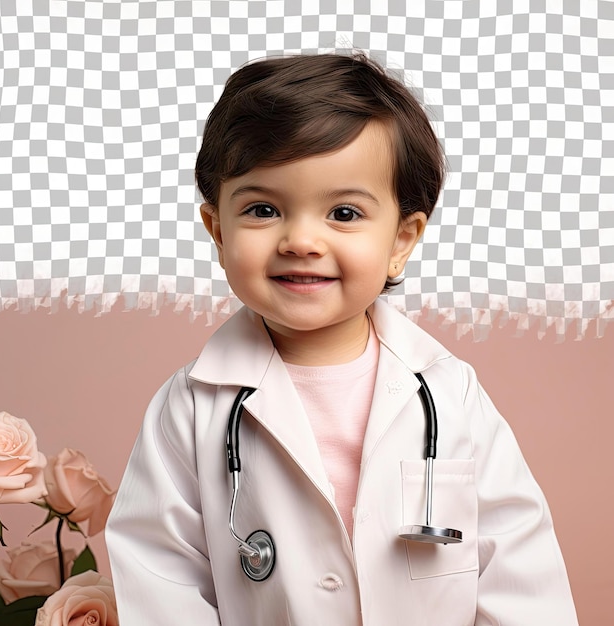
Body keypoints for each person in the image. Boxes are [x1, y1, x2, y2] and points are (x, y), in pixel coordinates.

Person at [106, 52, 578, 625]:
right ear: (217, 230)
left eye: (345, 213)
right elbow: (161, 583)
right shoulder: (189, 409)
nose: (301, 240)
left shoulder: (450, 394)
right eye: (262, 209)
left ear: (402, 239)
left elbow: (519, 571)